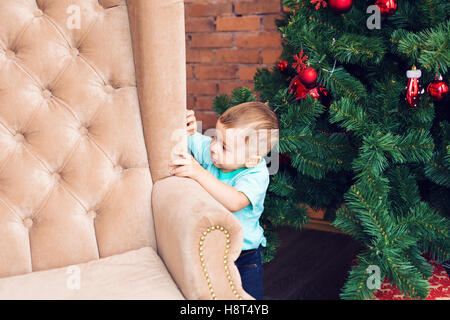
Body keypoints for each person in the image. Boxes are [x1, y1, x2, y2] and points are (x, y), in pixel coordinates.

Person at [168, 101, 279, 300]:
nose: (214, 148)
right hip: (210, 250)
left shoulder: (256, 173)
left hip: (244, 256)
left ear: (251, 159)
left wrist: (198, 173)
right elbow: (189, 139)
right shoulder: (214, 154)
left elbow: (235, 201)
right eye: (214, 137)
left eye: (224, 146)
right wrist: (188, 127)